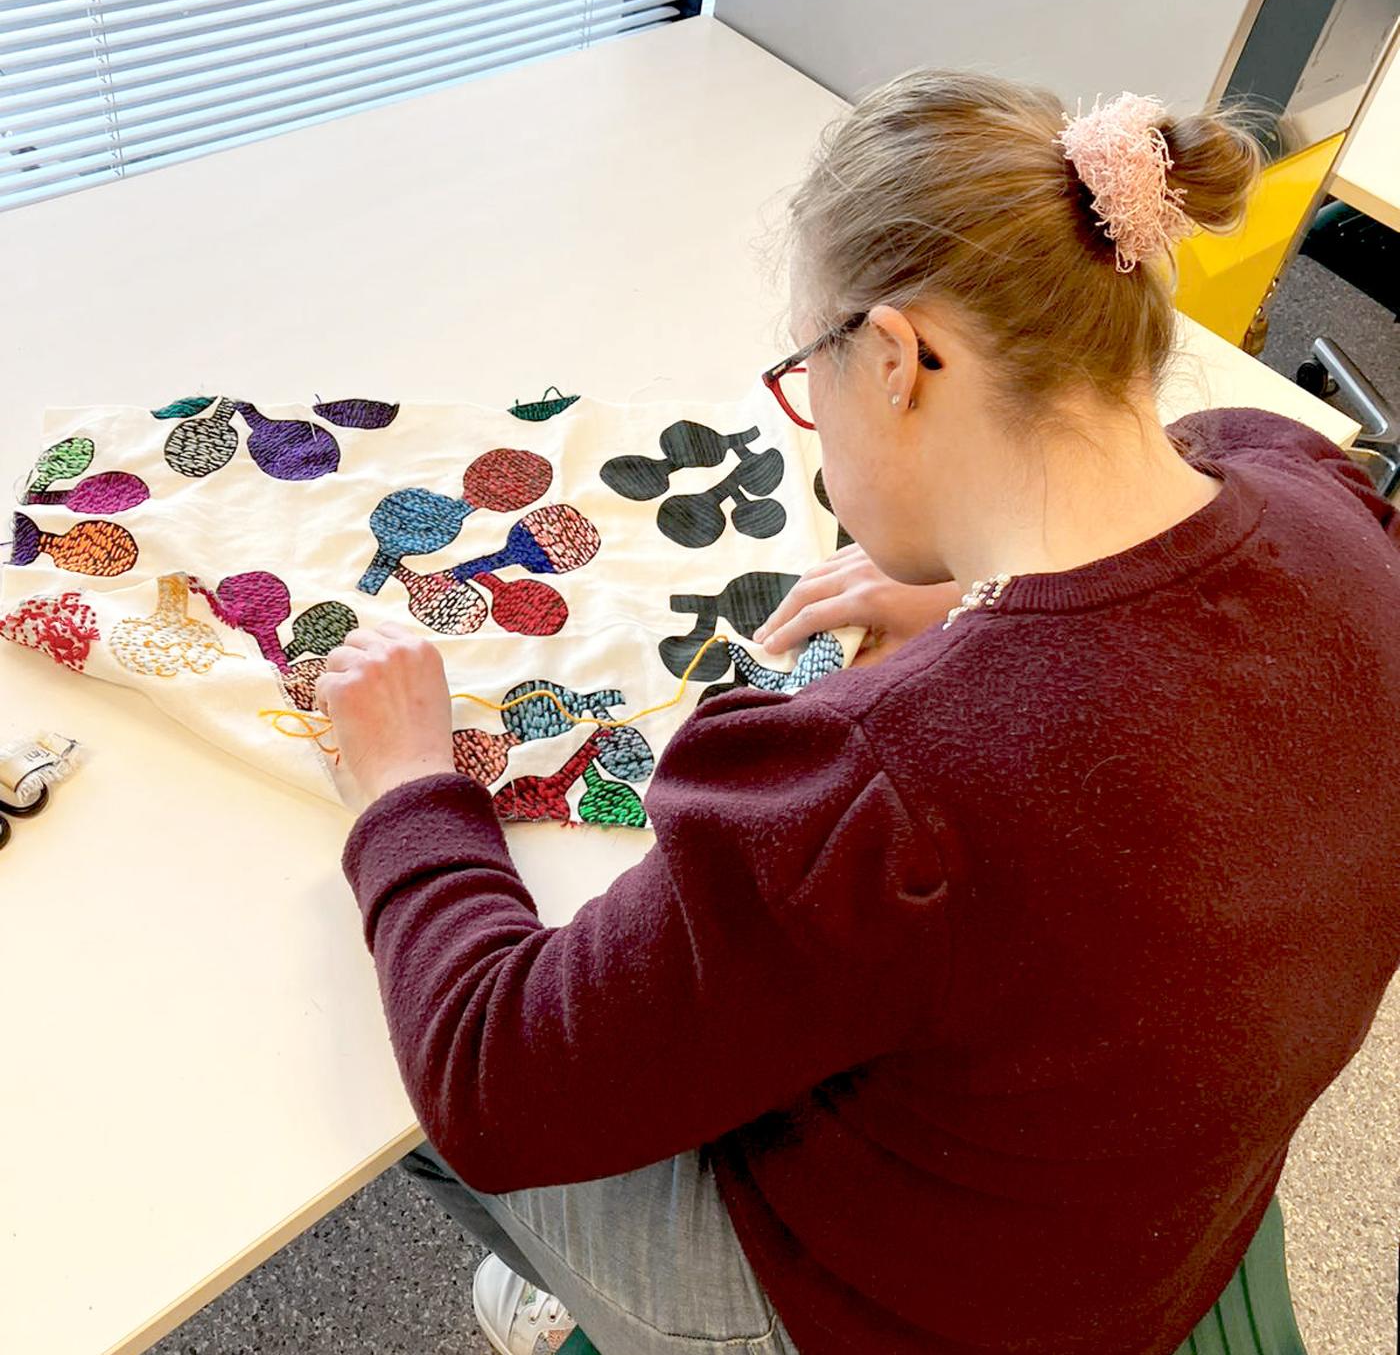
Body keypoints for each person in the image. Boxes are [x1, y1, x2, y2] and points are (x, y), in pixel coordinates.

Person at [315, 73, 1400, 1355]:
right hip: (1149, 1226)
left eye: (802, 375)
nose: (810, 420)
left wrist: (403, 788)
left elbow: (489, 1071)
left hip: (904, 1310)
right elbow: (1165, 617)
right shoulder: (1318, 492)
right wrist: (985, 600)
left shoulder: (880, 777)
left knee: (384, 1075)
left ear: (891, 358)